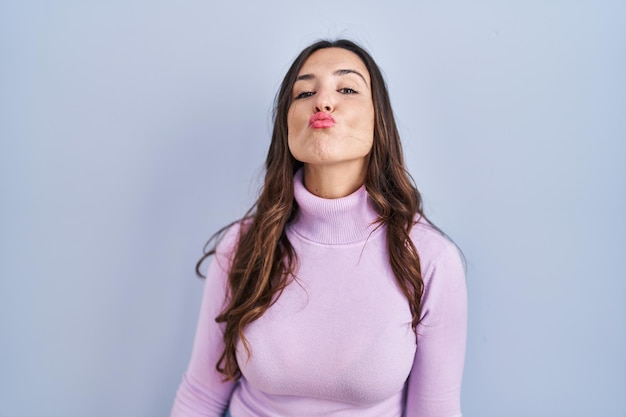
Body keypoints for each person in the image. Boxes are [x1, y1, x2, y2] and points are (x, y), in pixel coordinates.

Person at [170, 39, 467, 417]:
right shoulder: (245, 246)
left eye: (346, 89)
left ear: (380, 121)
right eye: (305, 92)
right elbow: (201, 396)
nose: (322, 102)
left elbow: (435, 411)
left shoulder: (430, 258)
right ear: (286, 125)